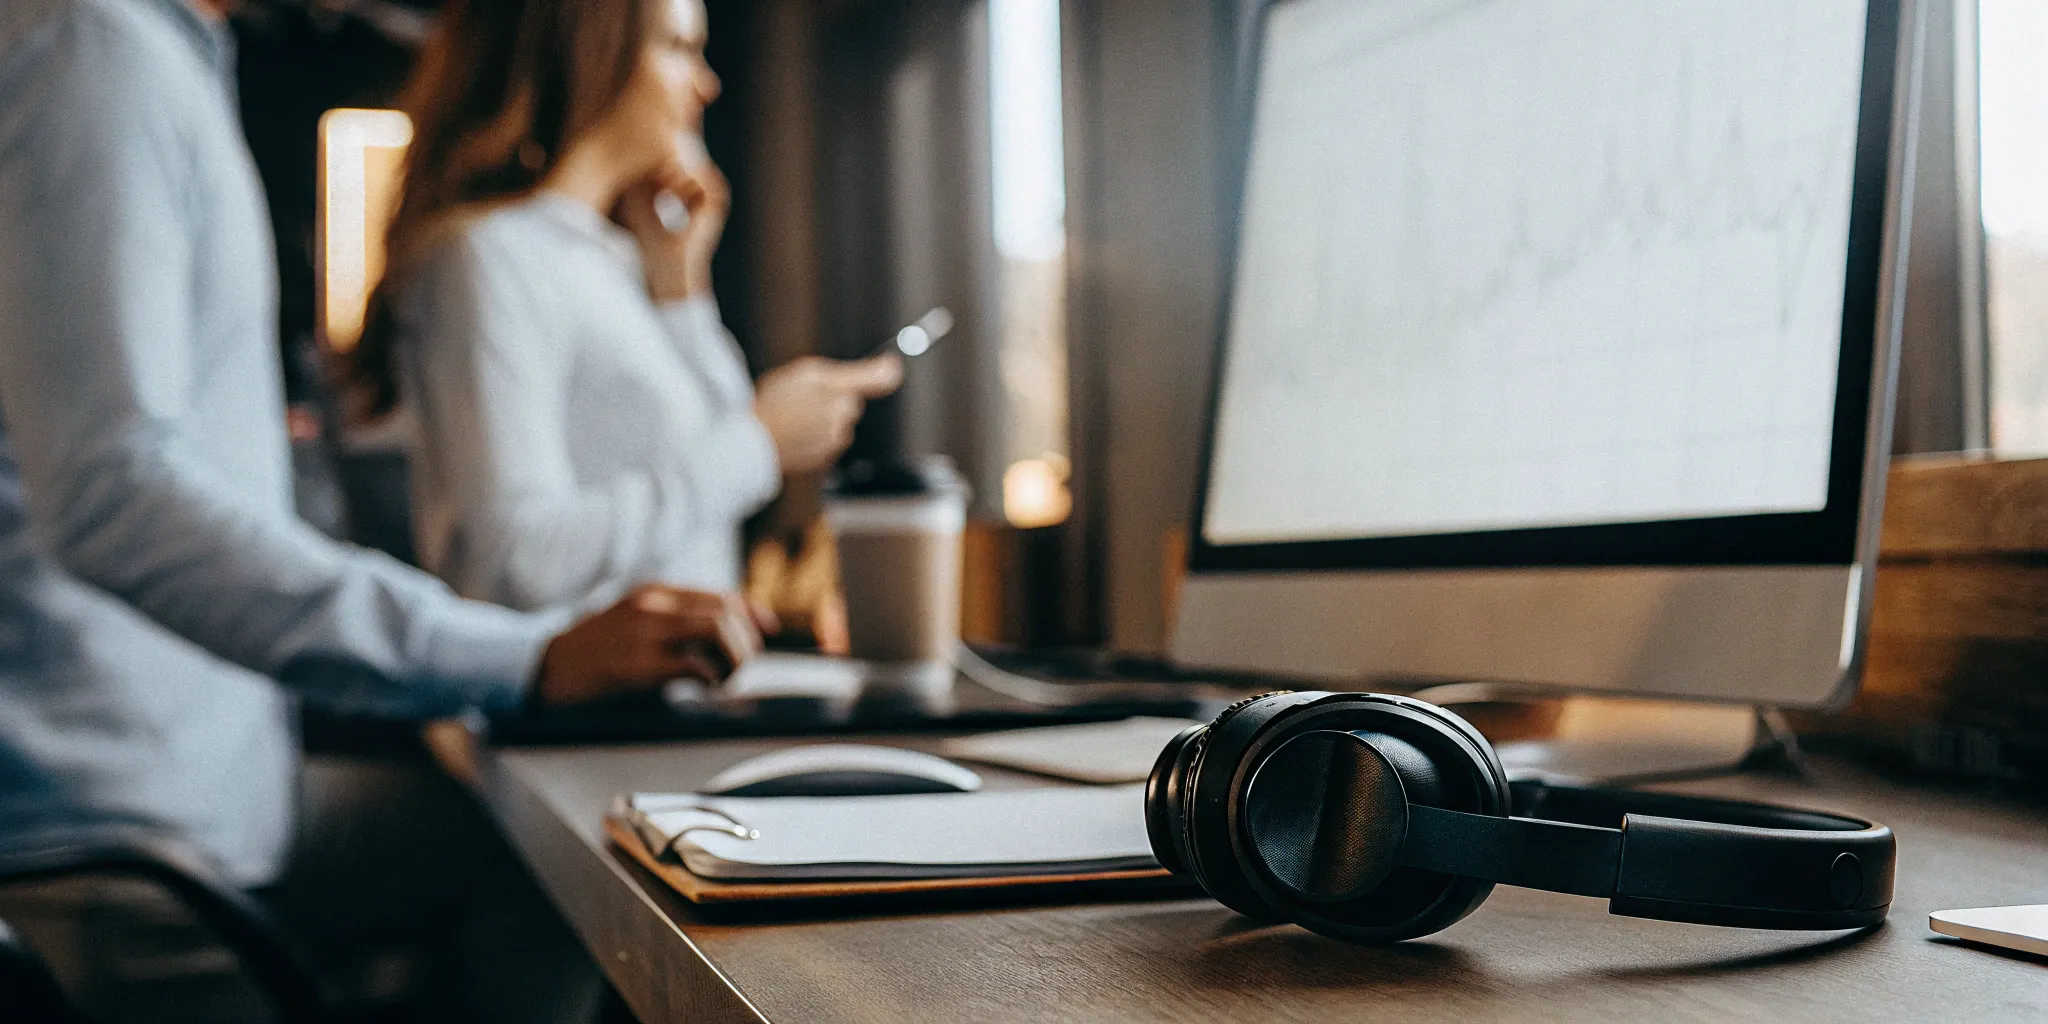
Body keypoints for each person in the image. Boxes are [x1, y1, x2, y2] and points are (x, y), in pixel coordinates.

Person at [0, 0, 765, 1017]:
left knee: (540, 864)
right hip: (116, 837)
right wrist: (517, 658)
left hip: (226, 794)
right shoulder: (92, 50)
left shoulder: (163, 57)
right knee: (567, 869)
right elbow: (112, 494)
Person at [355, 0, 903, 613]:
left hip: (686, 670)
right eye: (678, 48)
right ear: (593, 55)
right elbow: (511, 561)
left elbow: (714, 479)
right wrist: (761, 442)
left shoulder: (614, 257)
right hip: (582, 678)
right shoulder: (491, 257)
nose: (707, 84)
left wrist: (680, 285)